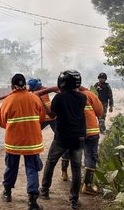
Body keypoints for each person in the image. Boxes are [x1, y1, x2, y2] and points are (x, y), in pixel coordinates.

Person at [40, 70, 87, 210]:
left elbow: (52, 114)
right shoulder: (82, 97)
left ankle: (44, 191)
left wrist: (41, 101)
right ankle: (74, 199)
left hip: (62, 137)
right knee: (76, 168)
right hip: (79, 136)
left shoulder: (59, 98)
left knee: (50, 162)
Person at [0, 73, 46, 210]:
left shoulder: (7, 100)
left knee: (11, 167)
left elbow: (2, 123)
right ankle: (32, 202)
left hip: (13, 142)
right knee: (32, 169)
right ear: (24, 84)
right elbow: (41, 118)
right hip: (32, 141)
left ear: (12, 85)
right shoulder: (35, 98)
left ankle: (7, 193)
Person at [59, 86, 103, 195]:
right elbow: (100, 111)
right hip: (91, 131)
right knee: (90, 155)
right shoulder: (89, 94)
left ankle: (64, 173)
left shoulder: (64, 96)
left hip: (74, 131)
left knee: (69, 150)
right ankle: (86, 185)